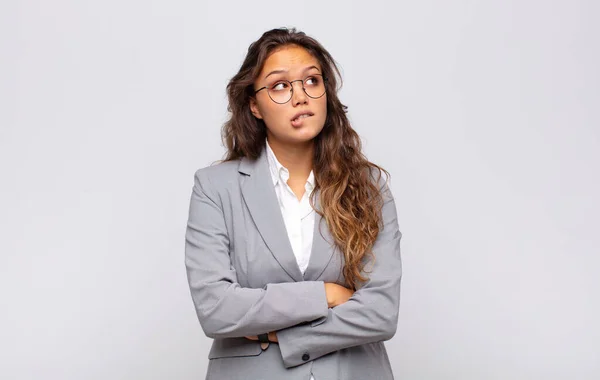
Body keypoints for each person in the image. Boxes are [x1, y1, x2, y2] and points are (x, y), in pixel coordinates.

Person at [184, 27, 402, 380]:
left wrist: (277, 334)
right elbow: (216, 308)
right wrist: (325, 294)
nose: (300, 96)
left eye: (312, 81)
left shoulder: (369, 187)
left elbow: (380, 312)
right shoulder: (214, 188)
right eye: (280, 86)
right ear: (254, 105)